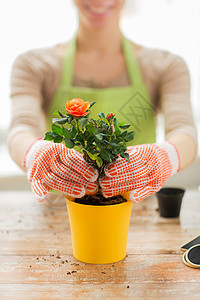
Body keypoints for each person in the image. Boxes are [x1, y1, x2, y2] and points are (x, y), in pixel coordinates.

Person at [8, 0, 197, 203]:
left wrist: (163, 156)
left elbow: (184, 131)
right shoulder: (34, 65)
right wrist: (34, 153)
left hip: (137, 209)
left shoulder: (166, 66)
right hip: (59, 212)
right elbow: (21, 128)